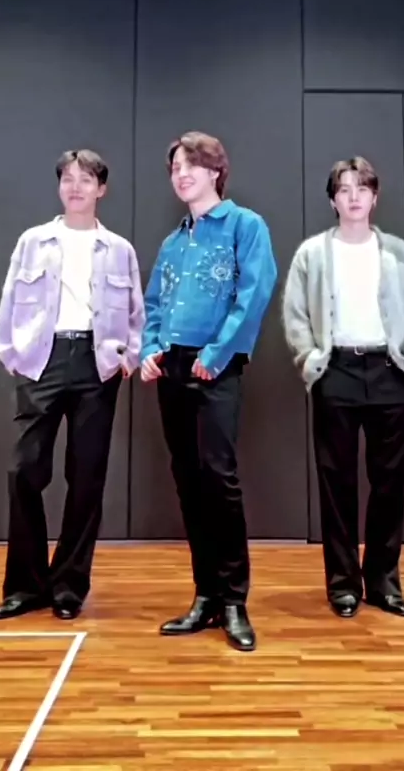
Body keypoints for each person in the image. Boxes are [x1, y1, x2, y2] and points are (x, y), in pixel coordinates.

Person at [0, 149, 144, 621]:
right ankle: (26, 586)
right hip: (43, 360)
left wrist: (128, 357)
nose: (75, 187)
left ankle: (69, 586)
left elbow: (136, 311)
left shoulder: (118, 249)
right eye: (68, 179)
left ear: (101, 189)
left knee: (87, 476)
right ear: (60, 187)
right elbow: (10, 299)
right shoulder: (34, 241)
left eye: (86, 179)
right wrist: (12, 353)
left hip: (97, 365)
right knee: (24, 471)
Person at [141, 131, 277, 651]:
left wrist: (216, 355)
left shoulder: (245, 225)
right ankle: (206, 595)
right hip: (172, 367)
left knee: (219, 478)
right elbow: (155, 304)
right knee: (188, 480)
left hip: (216, 365)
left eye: (191, 165)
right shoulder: (173, 242)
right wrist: (149, 349)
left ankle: (234, 600)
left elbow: (254, 293)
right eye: (175, 167)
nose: (181, 174)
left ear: (216, 171)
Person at [282, 157, 404, 619]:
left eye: (362, 188)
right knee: (336, 482)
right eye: (344, 189)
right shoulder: (312, 253)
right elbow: (295, 314)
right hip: (337, 371)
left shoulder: (398, 253)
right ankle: (343, 584)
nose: (353, 197)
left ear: (374, 197)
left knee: (390, 484)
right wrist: (312, 361)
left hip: (390, 371)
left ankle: (383, 581)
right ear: (333, 200)